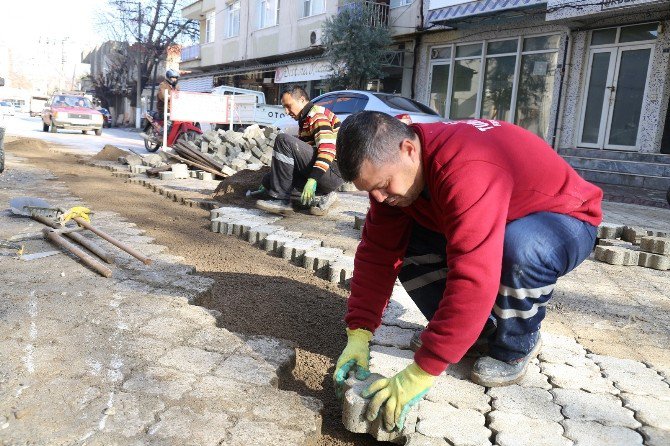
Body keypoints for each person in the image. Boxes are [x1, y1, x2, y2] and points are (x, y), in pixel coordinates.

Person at [332, 112, 603, 432]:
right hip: (501, 213)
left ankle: (516, 345)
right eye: (370, 191)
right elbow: (378, 254)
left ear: (408, 149)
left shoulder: (465, 168)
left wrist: (422, 372)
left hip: (566, 218)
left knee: (517, 251)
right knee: (405, 242)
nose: (379, 198)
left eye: (383, 185)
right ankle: (476, 334)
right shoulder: (398, 180)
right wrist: (359, 332)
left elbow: (474, 277)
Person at [254, 85, 344, 216]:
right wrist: (272, 181)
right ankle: (320, 197)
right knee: (270, 180)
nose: (286, 111)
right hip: (325, 174)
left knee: (283, 140)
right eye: (284, 107)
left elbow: (328, 150)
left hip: (332, 172)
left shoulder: (316, 115)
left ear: (302, 100)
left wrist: (312, 180)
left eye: (289, 106)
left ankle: (281, 201)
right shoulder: (304, 120)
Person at [141, 69, 180, 139]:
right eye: (172, 77)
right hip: (164, 110)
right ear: (168, 78)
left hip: (174, 109)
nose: (174, 79)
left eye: (175, 78)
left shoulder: (177, 87)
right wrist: (172, 97)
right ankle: (164, 133)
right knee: (170, 118)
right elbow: (163, 96)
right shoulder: (163, 85)